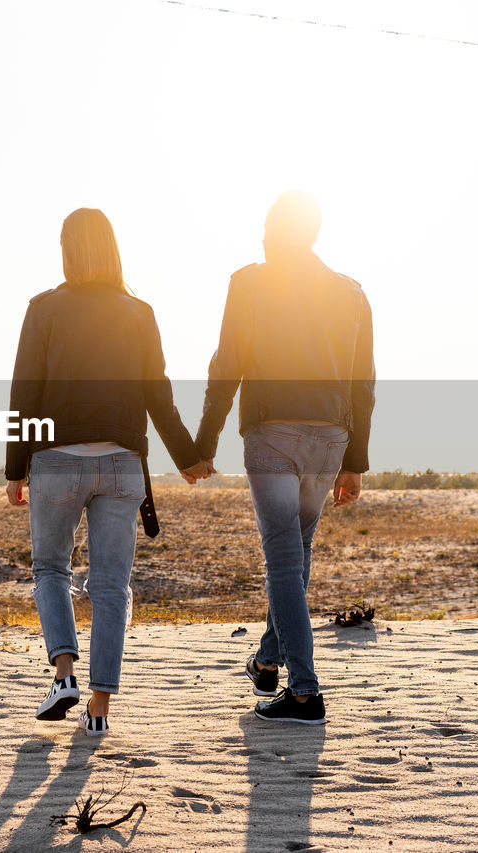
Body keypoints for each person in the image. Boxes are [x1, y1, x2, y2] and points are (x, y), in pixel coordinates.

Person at [5, 207, 212, 737]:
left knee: (51, 569)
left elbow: (24, 393)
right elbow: (157, 395)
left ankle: (64, 674)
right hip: (122, 465)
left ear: (67, 250)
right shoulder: (137, 312)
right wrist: (187, 457)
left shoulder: (43, 308)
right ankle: (99, 708)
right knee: (112, 586)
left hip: (55, 461)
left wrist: (14, 469)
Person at [194, 191, 375, 725]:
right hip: (330, 438)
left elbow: (226, 365)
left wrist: (203, 444)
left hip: (273, 434)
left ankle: (304, 691)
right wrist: (355, 462)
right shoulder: (353, 294)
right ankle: (269, 660)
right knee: (295, 550)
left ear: (274, 230)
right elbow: (364, 385)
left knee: (283, 557)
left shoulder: (249, 283)